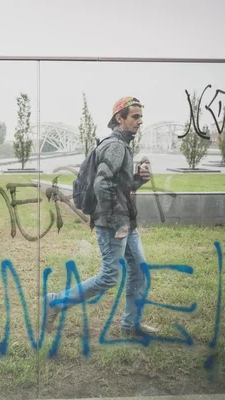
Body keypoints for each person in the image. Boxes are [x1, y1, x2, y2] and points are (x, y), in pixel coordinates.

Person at [45, 96, 159, 337]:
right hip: (114, 224)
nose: (140, 122)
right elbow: (102, 184)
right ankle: (54, 302)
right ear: (120, 118)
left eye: (141, 117)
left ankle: (130, 324)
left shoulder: (122, 145)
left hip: (124, 221)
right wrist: (119, 224)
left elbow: (118, 188)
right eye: (135, 117)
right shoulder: (116, 145)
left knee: (139, 271)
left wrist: (138, 179)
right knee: (109, 276)